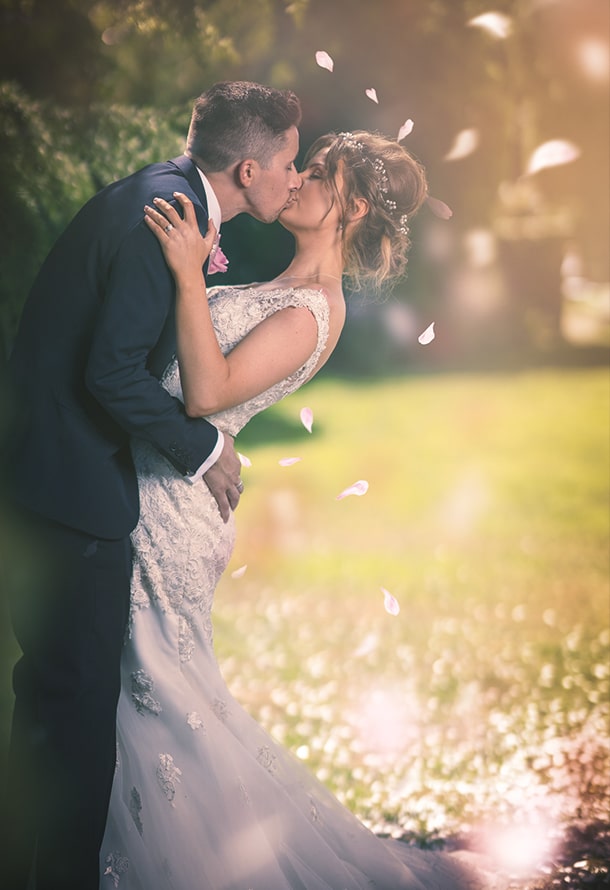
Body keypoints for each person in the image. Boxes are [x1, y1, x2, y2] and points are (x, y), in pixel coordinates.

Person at [99, 132, 488, 888]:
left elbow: (208, 395)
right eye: (304, 168)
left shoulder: (313, 311)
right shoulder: (282, 284)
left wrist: (186, 275)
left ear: (353, 207)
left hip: (173, 507)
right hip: (158, 485)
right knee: (146, 695)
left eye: (319, 175)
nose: (300, 181)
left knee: (154, 697)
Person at [2, 81, 302, 890]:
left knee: (49, 712)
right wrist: (205, 448)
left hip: (45, 484)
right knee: (75, 724)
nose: (294, 179)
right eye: (290, 164)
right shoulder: (164, 217)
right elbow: (112, 374)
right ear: (250, 168)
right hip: (73, 499)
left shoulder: (164, 198)